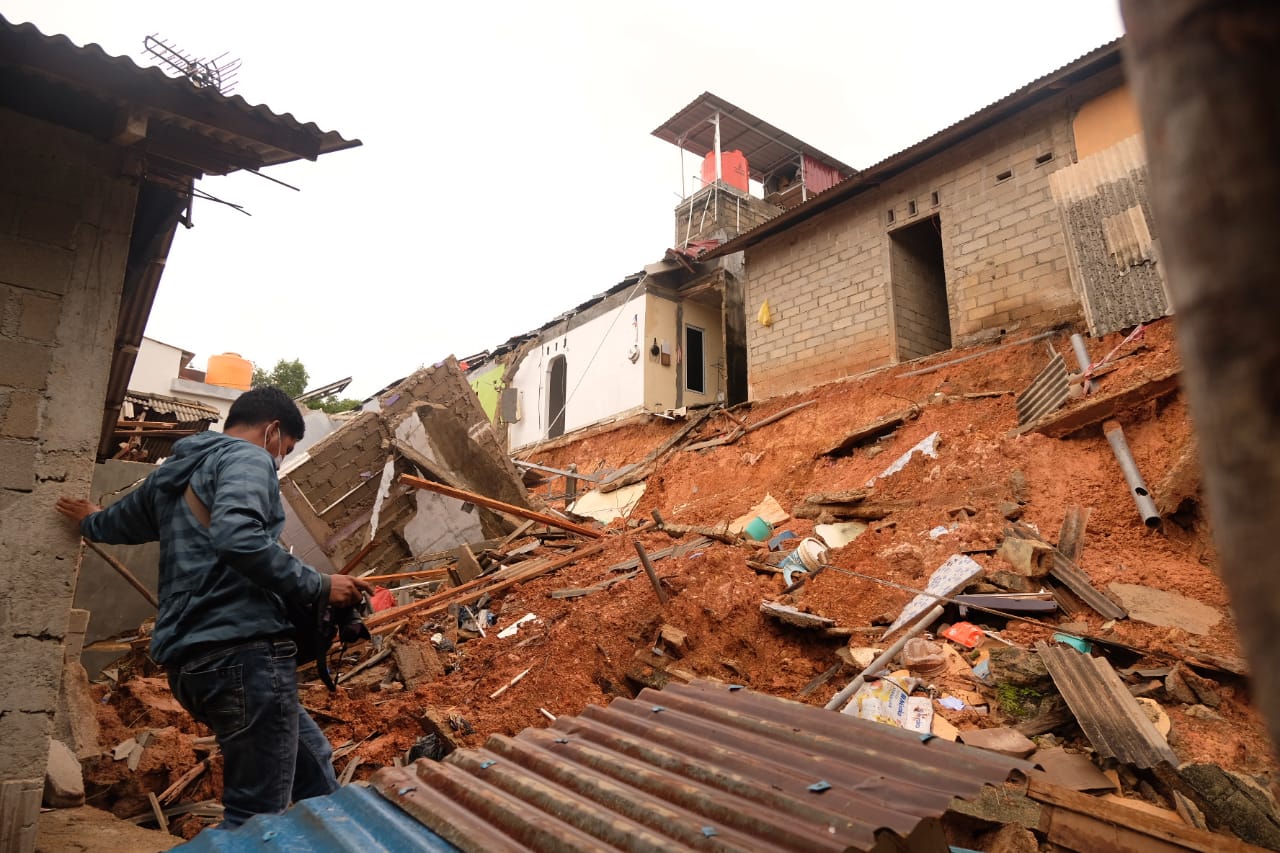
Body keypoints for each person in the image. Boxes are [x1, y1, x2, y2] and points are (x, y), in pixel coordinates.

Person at [56, 386, 372, 829]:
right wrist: (320, 585)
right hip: (242, 654)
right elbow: (238, 538)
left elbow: (116, 524)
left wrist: (90, 517)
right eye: (286, 450)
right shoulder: (248, 459)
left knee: (312, 763)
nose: (279, 460)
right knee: (255, 817)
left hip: (194, 664)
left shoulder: (174, 474)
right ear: (273, 430)